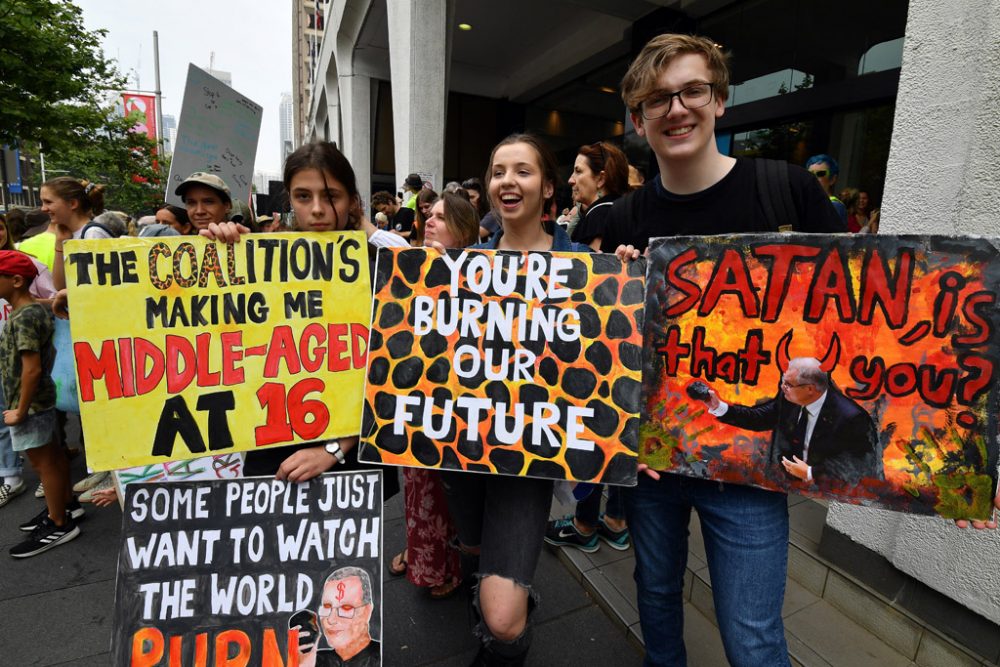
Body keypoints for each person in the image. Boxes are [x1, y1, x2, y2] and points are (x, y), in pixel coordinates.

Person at [605, 34, 844, 666]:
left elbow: (866, 316)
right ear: (639, 118)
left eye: (692, 91)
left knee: (753, 635)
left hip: (749, 469)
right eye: (658, 99)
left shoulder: (787, 192)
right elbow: (601, 354)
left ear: (720, 101)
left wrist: (939, 474)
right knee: (654, 594)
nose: (677, 108)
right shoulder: (623, 219)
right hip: (653, 461)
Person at [439, 133, 591, 667]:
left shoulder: (586, 266)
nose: (507, 181)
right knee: (478, 567)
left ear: (548, 187)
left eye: (523, 171)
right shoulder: (463, 266)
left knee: (503, 616)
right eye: (498, 170)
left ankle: (503, 643)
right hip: (461, 455)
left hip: (527, 462)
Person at [202, 141, 401, 501]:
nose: (318, 210)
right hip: (274, 450)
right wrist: (220, 256)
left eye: (332, 196)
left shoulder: (384, 272)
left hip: (352, 458)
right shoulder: (258, 260)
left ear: (352, 201)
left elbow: (395, 374)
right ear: (289, 200)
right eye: (303, 196)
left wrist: (335, 449)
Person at [389, 190, 479, 599]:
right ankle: (421, 551)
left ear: (462, 231)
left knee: (446, 495)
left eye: (441, 217)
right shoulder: (408, 263)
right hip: (414, 401)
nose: (429, 220)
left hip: (453, 408)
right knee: (416, 487)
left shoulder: (481, 274)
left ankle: (448, 567)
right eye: (431, 214)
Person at [0, 251, 83, 557]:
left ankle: (58, 522)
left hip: (30, 404)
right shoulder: (32, 311)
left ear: (17, 280)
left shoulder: (24, 317)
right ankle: (63, 507)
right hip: (41, 399)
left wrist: (20, 410)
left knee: (42, 462)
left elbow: (31, 368)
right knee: (55, 456)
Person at [700, 357, 882, 485]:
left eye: (788, 384)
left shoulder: (852, 418)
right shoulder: (790, 399)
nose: (782, 387)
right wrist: (719, 407)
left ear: (810, 389)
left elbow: (859, 467)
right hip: (782, 482)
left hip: (823, 487)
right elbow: (760, 418)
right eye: (782, 381)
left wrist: (811, 473)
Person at [568, 141, 629, 250]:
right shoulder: (621, 211)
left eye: (578, 171)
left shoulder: (599, 216)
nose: (571, 180)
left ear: (601, 179)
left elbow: (591, 265)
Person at [805, 154, 848, 225]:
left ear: (832, 179)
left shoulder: (835, 206)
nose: (814, 178)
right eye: (810, 174)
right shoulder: (804, 202)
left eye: (821, 173)